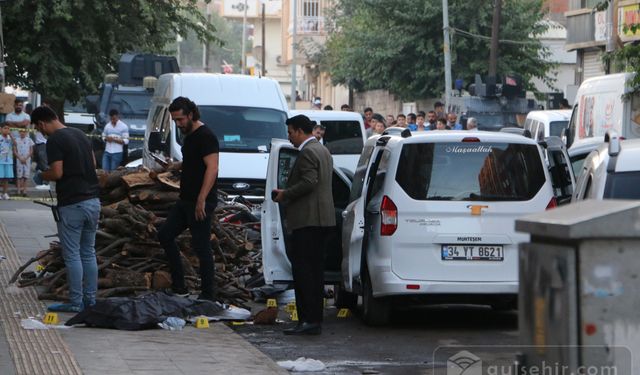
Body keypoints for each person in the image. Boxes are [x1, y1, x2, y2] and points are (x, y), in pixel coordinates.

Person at [31, 106, 101, 313]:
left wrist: (42, 175)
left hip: (72, 203)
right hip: (93, 201)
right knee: (88, 252)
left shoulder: (55, 140)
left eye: (38, 127)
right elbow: (94, 163)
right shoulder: (80, 134)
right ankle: (91, 300)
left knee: (72, 255)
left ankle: (75, 301)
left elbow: (57, 172)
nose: (40, 132)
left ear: (42, 123)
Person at [272, 114, 335, 335]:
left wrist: (285, 194)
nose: (289, 138)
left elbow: (309, 182)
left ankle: (308, 320)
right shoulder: (322, 150)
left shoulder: (308, 152)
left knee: (304, 273)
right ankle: (313, 320)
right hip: (322, 220)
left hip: (308, 221)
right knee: (315, 273)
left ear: (300, 131)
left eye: (290, 133)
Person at [157, 97, 219, 301]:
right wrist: (176, 166)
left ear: (191, 115)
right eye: (175, 120)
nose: (178, 124)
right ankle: (179, 285)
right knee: (165, 234)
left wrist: (202, 199)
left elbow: (212, 167)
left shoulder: (206, 136)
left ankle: (207, 294)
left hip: (200, 201)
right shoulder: (189, 137)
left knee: (201, 247)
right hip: (185, 200)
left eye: (181, 119)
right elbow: (193, 161)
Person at [14, 129, 33, 197]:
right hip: (19, 160)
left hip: (27, 160)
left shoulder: (29, 140)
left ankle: (25, 190)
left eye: (24, 132)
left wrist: (26, 158)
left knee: (26, 176)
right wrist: (20, 158)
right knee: (19, 176)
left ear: (26, 132)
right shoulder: (16, 140)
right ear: (19, 132)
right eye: (21, 131)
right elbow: (15, 151)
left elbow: (31, 151)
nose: (22, 133)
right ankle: (18, 190)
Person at [0, 125, 14, 200]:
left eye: (8, 128)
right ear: (1, 129)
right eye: (5, 128)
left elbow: (15, 144)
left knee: (6, 178)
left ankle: (5, 193)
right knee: (0, 178)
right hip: (0, 161)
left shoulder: (9, 138)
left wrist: (11, 135)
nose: (7, 130)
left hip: (8, 161)